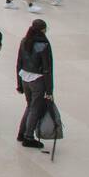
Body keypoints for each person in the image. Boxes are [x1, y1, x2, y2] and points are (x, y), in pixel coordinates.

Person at [15, 19, 54, 148]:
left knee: (30, 106)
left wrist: (19, 83)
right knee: (35, 108)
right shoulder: (44, 45)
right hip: (38, 80)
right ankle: (28, 137)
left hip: (25, 78)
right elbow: (47, 69)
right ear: (43, 30)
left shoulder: (24, 41)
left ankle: (22, 133)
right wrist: (49, 91)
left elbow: (19, 63)